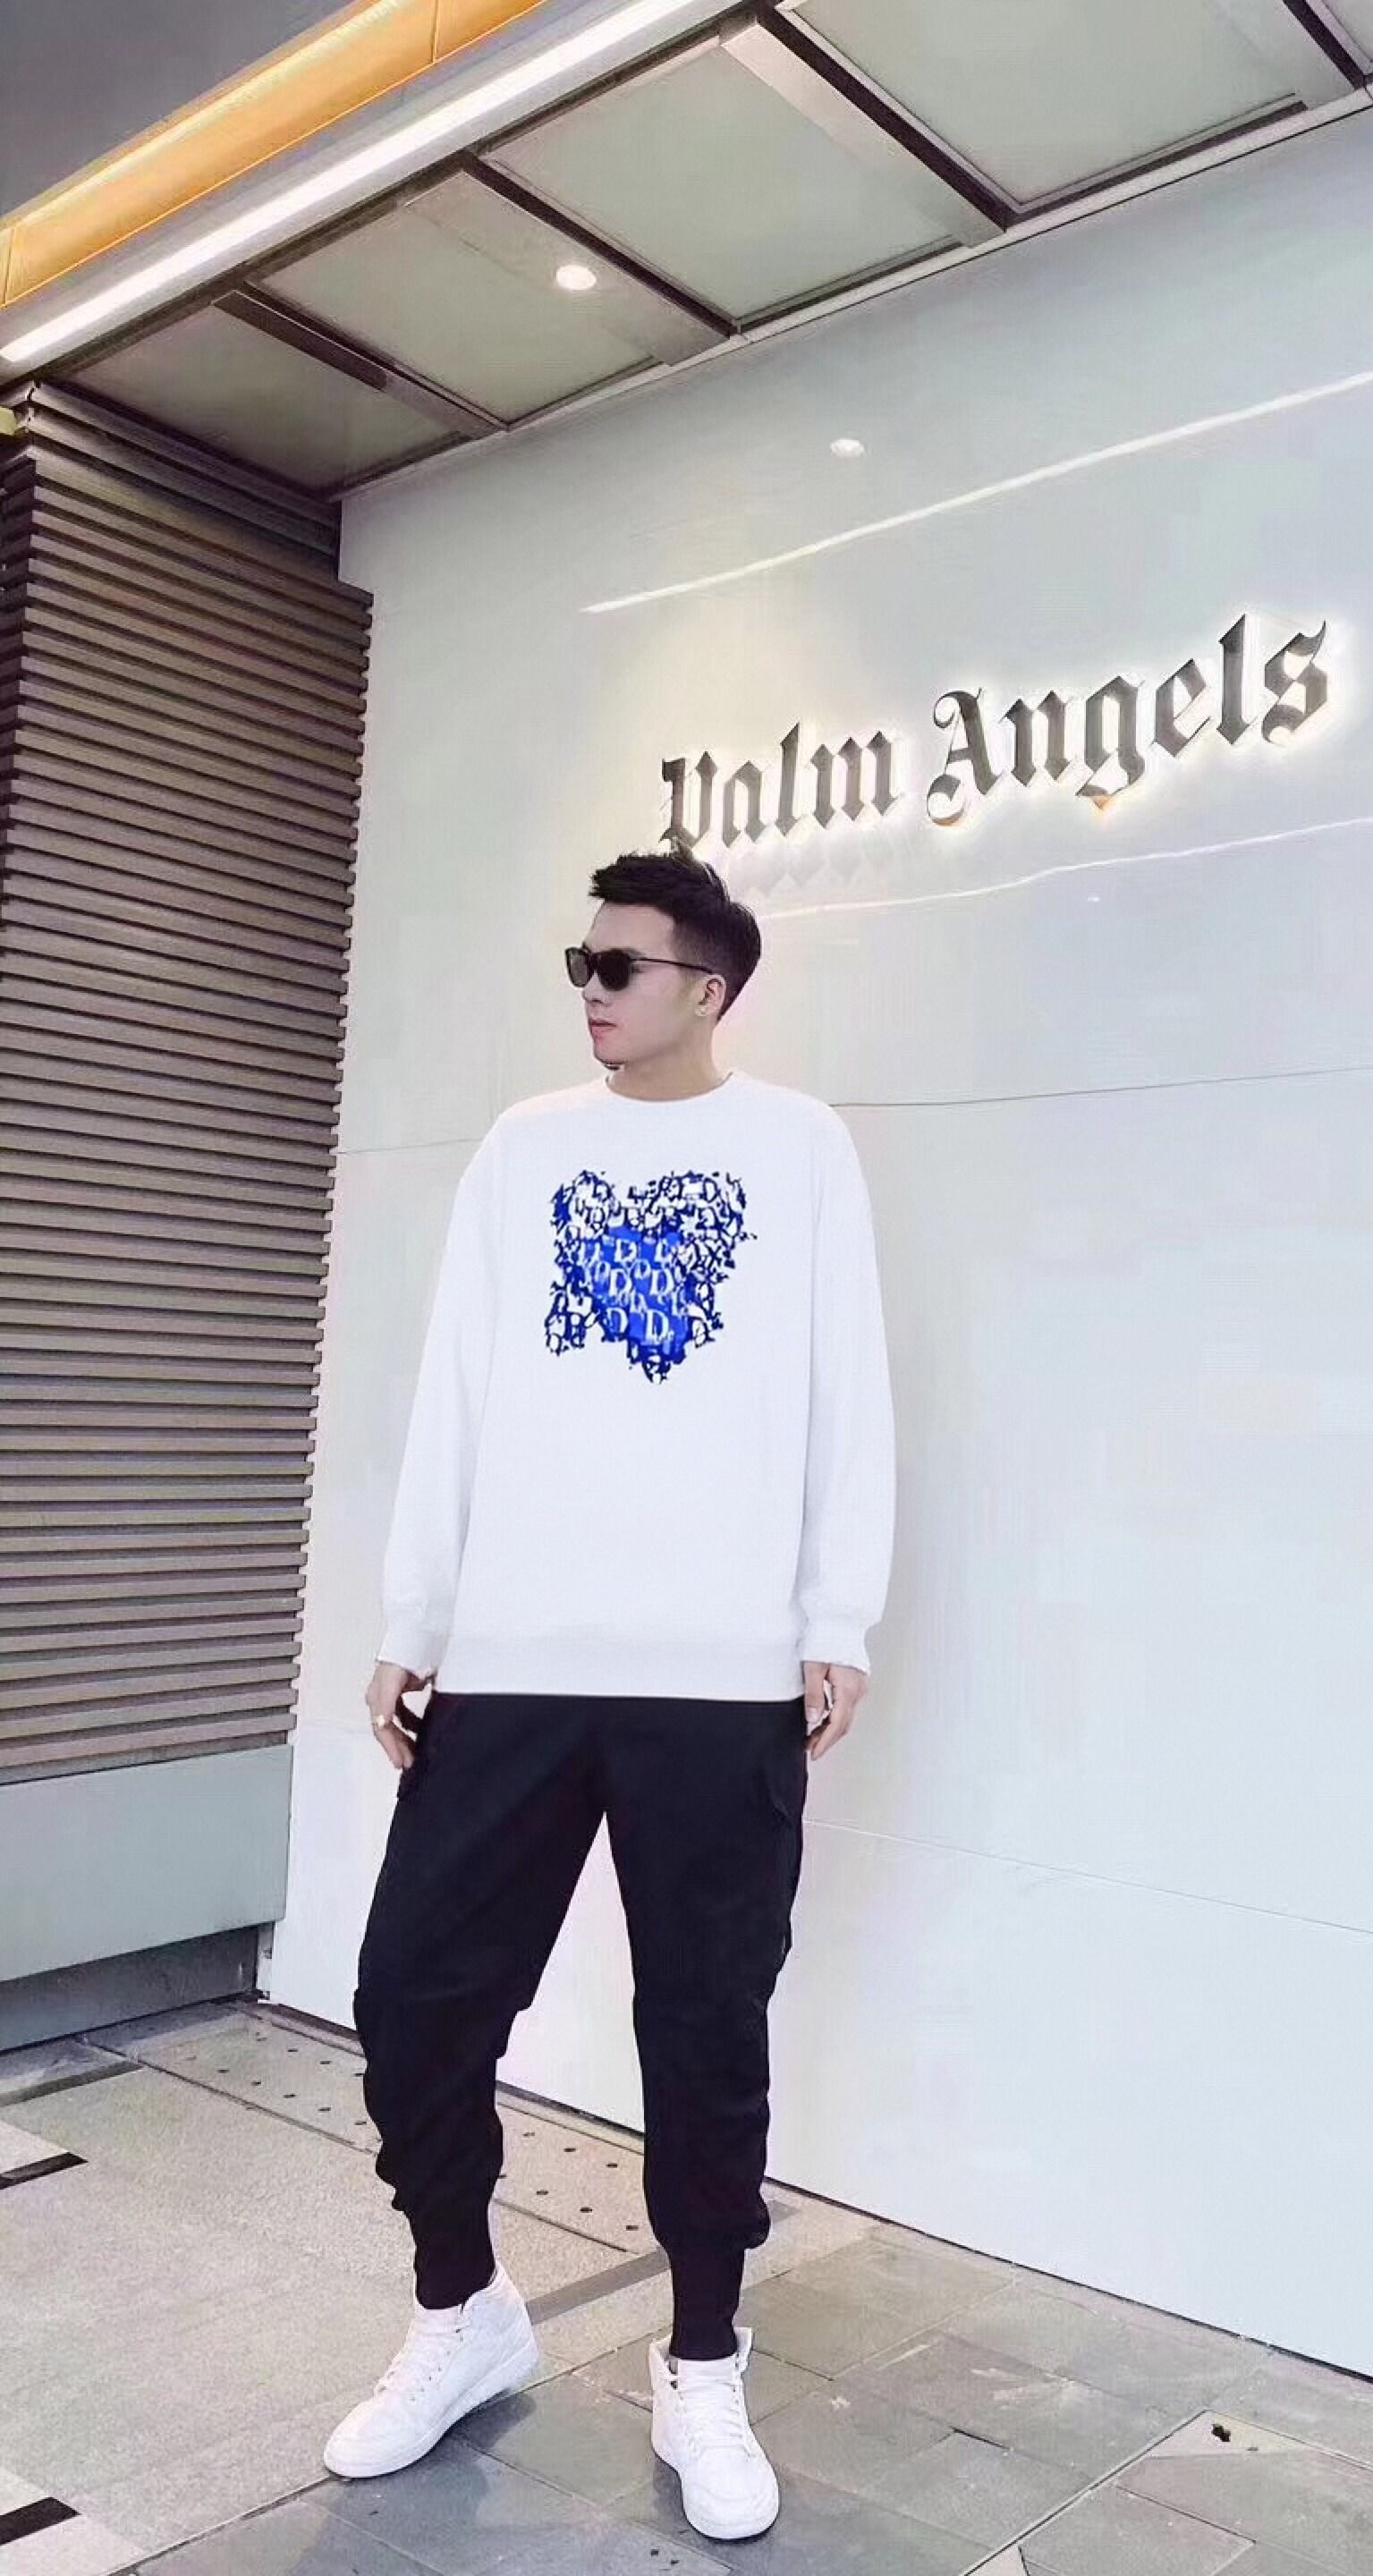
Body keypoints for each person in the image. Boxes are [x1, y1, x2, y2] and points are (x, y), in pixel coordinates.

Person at [322, 842, 894, 2543]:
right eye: (581, 962)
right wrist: (417, 1612)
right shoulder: (525, 1149)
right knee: (414, 1996)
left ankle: (702, 2359)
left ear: (708, 989)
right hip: (514, 1658)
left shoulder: (799, 1149)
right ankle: (462, 2311)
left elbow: (846, 1389)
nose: (590, 989)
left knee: (706, 2031)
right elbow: (457, 1388)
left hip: (717, 1677)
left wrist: (836, 1612)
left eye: (620, 966)